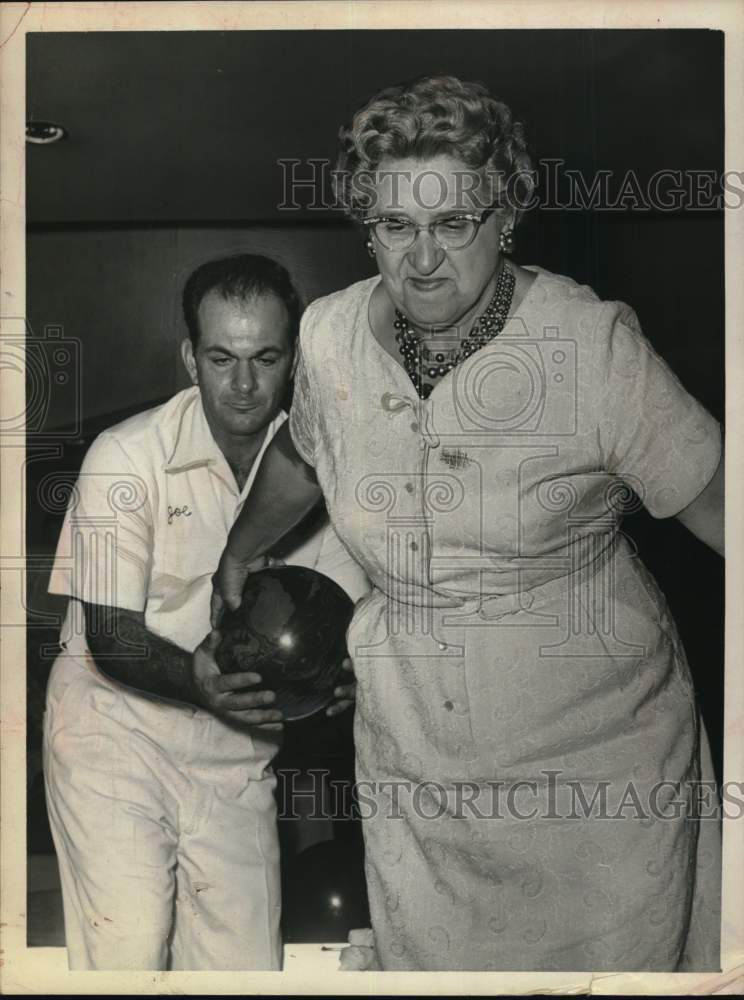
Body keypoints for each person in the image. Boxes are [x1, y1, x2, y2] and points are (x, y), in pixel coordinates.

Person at [212, 77, 725, 972]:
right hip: (419, 750)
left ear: (506, 217)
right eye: (395, 228)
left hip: (596, 758)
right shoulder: (331, 337)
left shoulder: (591, 347)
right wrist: (243, 544)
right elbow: (305, 453)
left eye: (453, 224)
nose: (421, 261)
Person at [43, 253, 369, 970]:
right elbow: (111, 636)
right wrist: (202, 684)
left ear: (296, 359)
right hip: (113, 734)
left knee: (245, 970)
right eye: (222, 357)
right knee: (127, 947)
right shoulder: (123, 456)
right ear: (191, 357)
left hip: (237, 753)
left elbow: (344, 632)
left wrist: (348, 681)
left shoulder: (334, 476)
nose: (244, 385)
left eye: (266, 357)